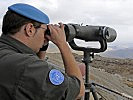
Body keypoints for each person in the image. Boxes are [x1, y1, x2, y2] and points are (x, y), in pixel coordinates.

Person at [0, 3, 85, 100]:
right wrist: (63, 44)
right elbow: (78, 91)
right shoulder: (28, 67)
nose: (46, 36)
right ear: (30, 29)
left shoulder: (7, 53)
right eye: (45, 31)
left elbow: (36, 66)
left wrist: (43, 45)